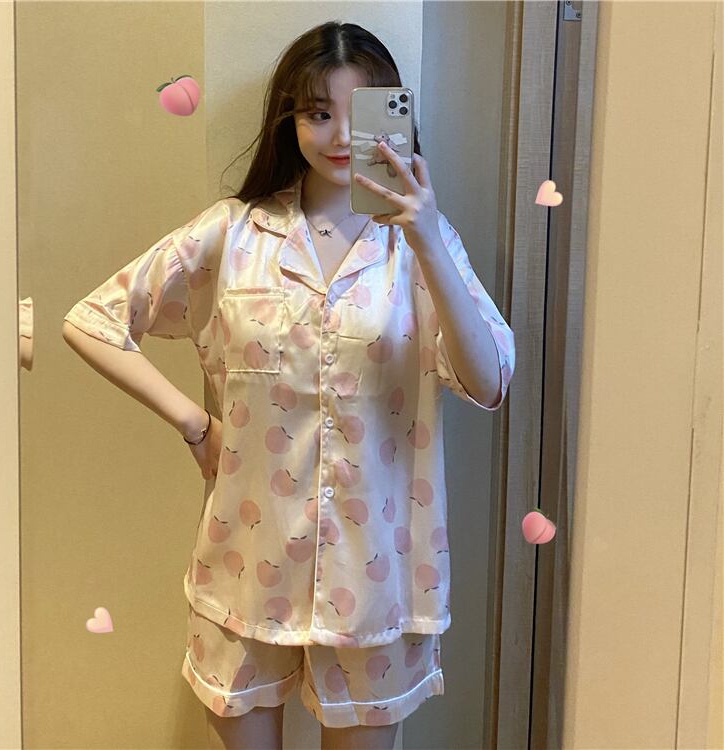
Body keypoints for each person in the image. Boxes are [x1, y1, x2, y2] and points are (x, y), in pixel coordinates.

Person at [63, 20, 515, 750]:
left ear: (394, 118)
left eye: (360, 111)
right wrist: (194, 424)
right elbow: (92, 320)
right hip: (246, 565)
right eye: (318, 111)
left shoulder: (415, 249)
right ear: (290, 120)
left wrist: (428, 236)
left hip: (375, 579)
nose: (341, 134)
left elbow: (488, 382)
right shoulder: (232, 235)